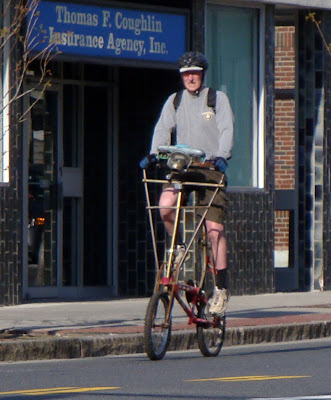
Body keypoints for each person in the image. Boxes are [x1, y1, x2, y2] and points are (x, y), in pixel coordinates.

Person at [140, 51, 234, 316]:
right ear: (181, 77)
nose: (190, 77)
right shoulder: (175, 100)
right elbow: (162, 128)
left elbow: (227, 129)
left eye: (194, 73)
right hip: (183, 165)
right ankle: (179, 246)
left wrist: (222, 156)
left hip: (210, 168)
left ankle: (221, 290)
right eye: (185, 74)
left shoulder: (217, 99)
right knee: (165, 206)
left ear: (202, 74)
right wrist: (155, 152)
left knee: (214, 228)